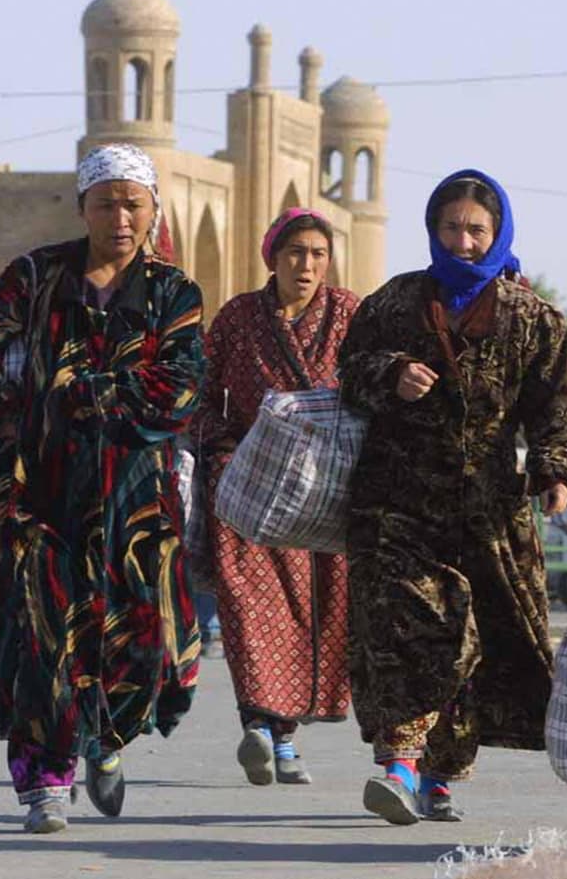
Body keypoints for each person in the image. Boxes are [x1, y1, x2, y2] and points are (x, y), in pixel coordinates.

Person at [0, 143, 205, 833]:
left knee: (140, 641)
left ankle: (107, 738)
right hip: (35, 489)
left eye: (133, 203)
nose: (120, 216)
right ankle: (45, 782)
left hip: (135, 496)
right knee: (37, 633)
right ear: (81, 206)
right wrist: (22, 416)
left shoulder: (174, 292)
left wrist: (75, 393)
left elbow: (178, 388)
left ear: (152, 209)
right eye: (106, 201)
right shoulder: (33, 276)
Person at [338, 170, 567, 824]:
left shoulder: (533, 318)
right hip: (394, 505)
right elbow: (347, 371)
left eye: (478, 228)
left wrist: (557, 472)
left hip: (487, 512)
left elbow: (556, 408)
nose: (465, 240)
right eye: (453, 226)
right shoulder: (393, 304)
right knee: (412, 628)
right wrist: (390, 373)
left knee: (471, 639)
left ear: (498, 231)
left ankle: (439, 770)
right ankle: (399, 762)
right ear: (433, 228)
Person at [193, 207, 359, 787]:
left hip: (325, 495)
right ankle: (259, 727)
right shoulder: (240, 317)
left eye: (317, 254)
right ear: (274, 257)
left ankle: (284, 737)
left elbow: (374, 385)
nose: (306, 265)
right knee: (249, 609)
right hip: (251, 490)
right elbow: (203, 393)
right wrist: (221, 457)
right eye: (295, 253)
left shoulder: (350, 314)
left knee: (310, 616)